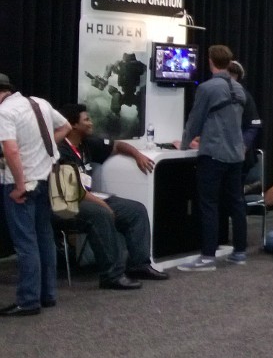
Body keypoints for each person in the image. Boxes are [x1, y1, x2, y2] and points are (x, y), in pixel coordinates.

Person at [56, 103, 169, 289]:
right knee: (100, 213)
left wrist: (137, 155)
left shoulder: (87, 143)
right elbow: (73, 191)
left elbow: (118, 146)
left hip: (88, 197)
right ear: (73, 125)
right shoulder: (61, 150)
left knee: (135, 210)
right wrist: (102, 204)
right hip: (66, 203)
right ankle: (112, 275)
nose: (91, 123)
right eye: (86, 120)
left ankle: (139, 265)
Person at [0, 73, 71, 316]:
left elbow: (11, 150)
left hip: (22, 182)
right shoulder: (39, 103)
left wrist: (19, 185)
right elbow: (66, 127)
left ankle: (29, 300)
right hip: (45, 178)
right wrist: (41, 148)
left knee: (26, 243)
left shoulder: (4, 113)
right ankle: (47, 294)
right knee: (44, 237)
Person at [177, 44, 247, 272]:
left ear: (210, 61)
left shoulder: (207, 88)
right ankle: (239, 252)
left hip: (214, 154)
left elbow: (195, 119)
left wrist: (184, 144)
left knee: (209, 204)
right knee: (236, 203)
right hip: (236, 155)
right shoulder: (239, 89)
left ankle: (207, 257)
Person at [226, 60, 262, 172]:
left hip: (239, 157)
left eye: (232, 75)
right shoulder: (215, 93)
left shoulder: (245, 96)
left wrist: (243, 146)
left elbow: (254, 125)